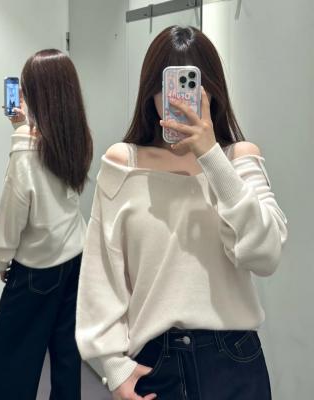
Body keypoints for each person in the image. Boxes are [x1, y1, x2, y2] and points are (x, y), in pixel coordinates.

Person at [75, 26, 287, 400]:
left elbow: (265, 254)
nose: (177, 100)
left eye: (191, 86)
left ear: (211, 91)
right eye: (168, 87)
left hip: (234, 360)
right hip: (155, 362)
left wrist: (211, 156)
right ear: (150, 92)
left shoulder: (240, 160)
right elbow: (101, 273)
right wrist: (113, 366)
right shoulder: (124, 164)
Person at [0, 49, 93, 400]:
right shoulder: (74, 138)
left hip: (37, 269)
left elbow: (13, 214)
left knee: (6, 361)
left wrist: (2, 259)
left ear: (36, 95)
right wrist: (21, 127)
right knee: (66, 358)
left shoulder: (27, 149)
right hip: (75, 256)